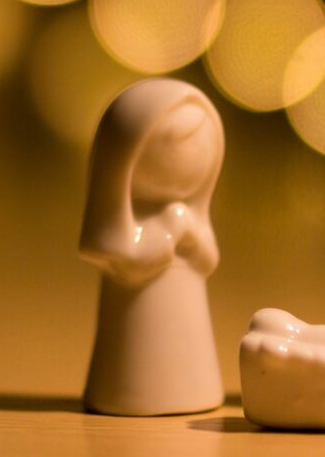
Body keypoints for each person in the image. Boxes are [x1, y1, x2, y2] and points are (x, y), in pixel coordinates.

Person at [79, 78, 225, 416]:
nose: (191, 163)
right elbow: (124, 257)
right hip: (135, 318)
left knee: (190, 353)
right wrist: (168, 234)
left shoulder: (188, 213)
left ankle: (195, 388)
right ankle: (136, 394)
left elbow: (208, 259)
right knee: (136, 356)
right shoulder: (128, 218)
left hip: (187, 310)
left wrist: (192, 237)